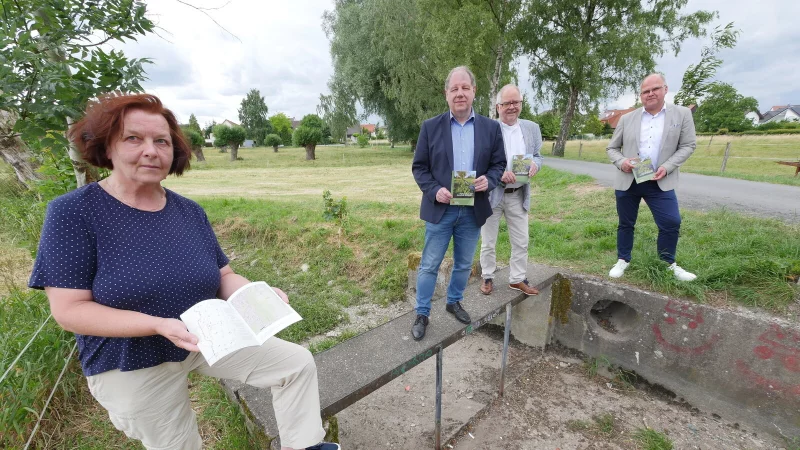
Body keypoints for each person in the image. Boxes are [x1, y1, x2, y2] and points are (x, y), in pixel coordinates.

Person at [28, 93, 339, 450]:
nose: (151, 150)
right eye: (133, 138)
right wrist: (158, 324)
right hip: (130, 359)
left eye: (161, 141)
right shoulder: (74, 213)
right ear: (106, 147)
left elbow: (224, 275)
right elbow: (69, 311)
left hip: (206, 337)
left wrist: (253, 294)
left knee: (295, 364)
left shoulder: (189, 212)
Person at [410, 66, 507, 341]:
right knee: (429, 265)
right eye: (454, 89)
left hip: (472, 209)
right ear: (446, 94)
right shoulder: (430, 128)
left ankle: (453, 301)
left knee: (464, 264)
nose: (460, 93)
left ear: (474, 91)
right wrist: (434, 190)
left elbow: (499, 164)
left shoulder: (491, 128)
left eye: (465, 88)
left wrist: (490, 179)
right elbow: (419, 168)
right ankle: (422, 313)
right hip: (441, 210)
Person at [606, 73, 697, 281]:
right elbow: (612, 148)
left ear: (665, 89)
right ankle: (623, 259)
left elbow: (688, 145)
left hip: (659, 179)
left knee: (671, 222)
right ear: (640, 95)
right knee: (626, 222)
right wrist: (622, 162)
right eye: (645, 91)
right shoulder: (627, 118)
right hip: (629, 179)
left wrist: (667, 167)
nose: (650, 94)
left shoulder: (682, 115)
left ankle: (667, 263)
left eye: (655, 89)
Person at [479, 84, 543, 296]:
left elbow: (538, 155)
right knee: (488, 241)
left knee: (521, 240)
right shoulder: (488, 129)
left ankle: (517, 279)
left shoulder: (531, 128)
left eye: (516, 102)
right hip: (493, 195)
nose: (512, 107)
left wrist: (535, 164)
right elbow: (479, 162)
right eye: (507, 103)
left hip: (518, 194)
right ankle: (487, 276)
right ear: (498, 106)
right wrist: (497, 175)